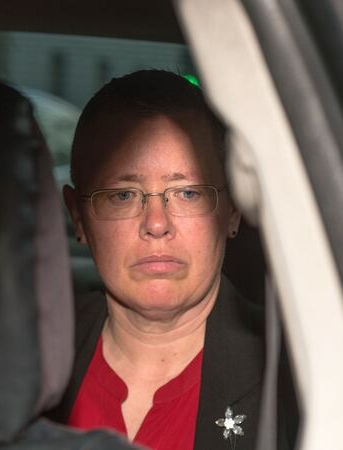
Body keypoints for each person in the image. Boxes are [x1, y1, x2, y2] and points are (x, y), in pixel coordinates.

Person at [45, 70, 297, 450]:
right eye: (123, 195)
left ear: (231, 211)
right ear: (79, 218)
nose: (157, 224)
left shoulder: (295, 380)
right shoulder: (24, 361)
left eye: (188, 193)